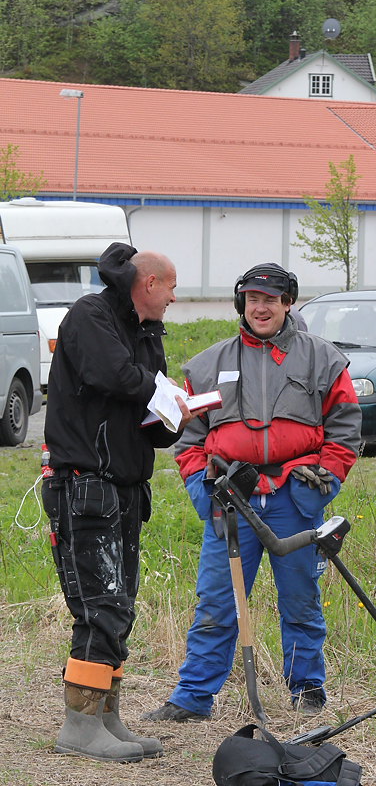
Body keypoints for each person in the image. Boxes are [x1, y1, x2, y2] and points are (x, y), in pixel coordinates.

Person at [142, 262, 361, 723]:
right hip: (229, 501)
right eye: (253, 299)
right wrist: (204, 493)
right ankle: (192, 697)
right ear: (241, 303)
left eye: (271, 300)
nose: (261, 308)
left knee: (301, 600)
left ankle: (307, 690)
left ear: (288, 303)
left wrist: (324, 482)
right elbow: (188, 441)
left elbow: (345, 430)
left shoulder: (323, 359)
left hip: (294, 501)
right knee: (216, 603)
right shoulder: (207, 364)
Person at [42, 242, 197, 762]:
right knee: (99, 607)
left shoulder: (147, 334)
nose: (174, 298)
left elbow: (148, 415)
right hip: (85, 485)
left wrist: (174, 415)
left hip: (126, 488)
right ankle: (79, 725)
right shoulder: (90, 315)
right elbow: (112, 374)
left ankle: (106, 715)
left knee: (120, 606)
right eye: (171, 287)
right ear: (149, 283)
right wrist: (161, 391)